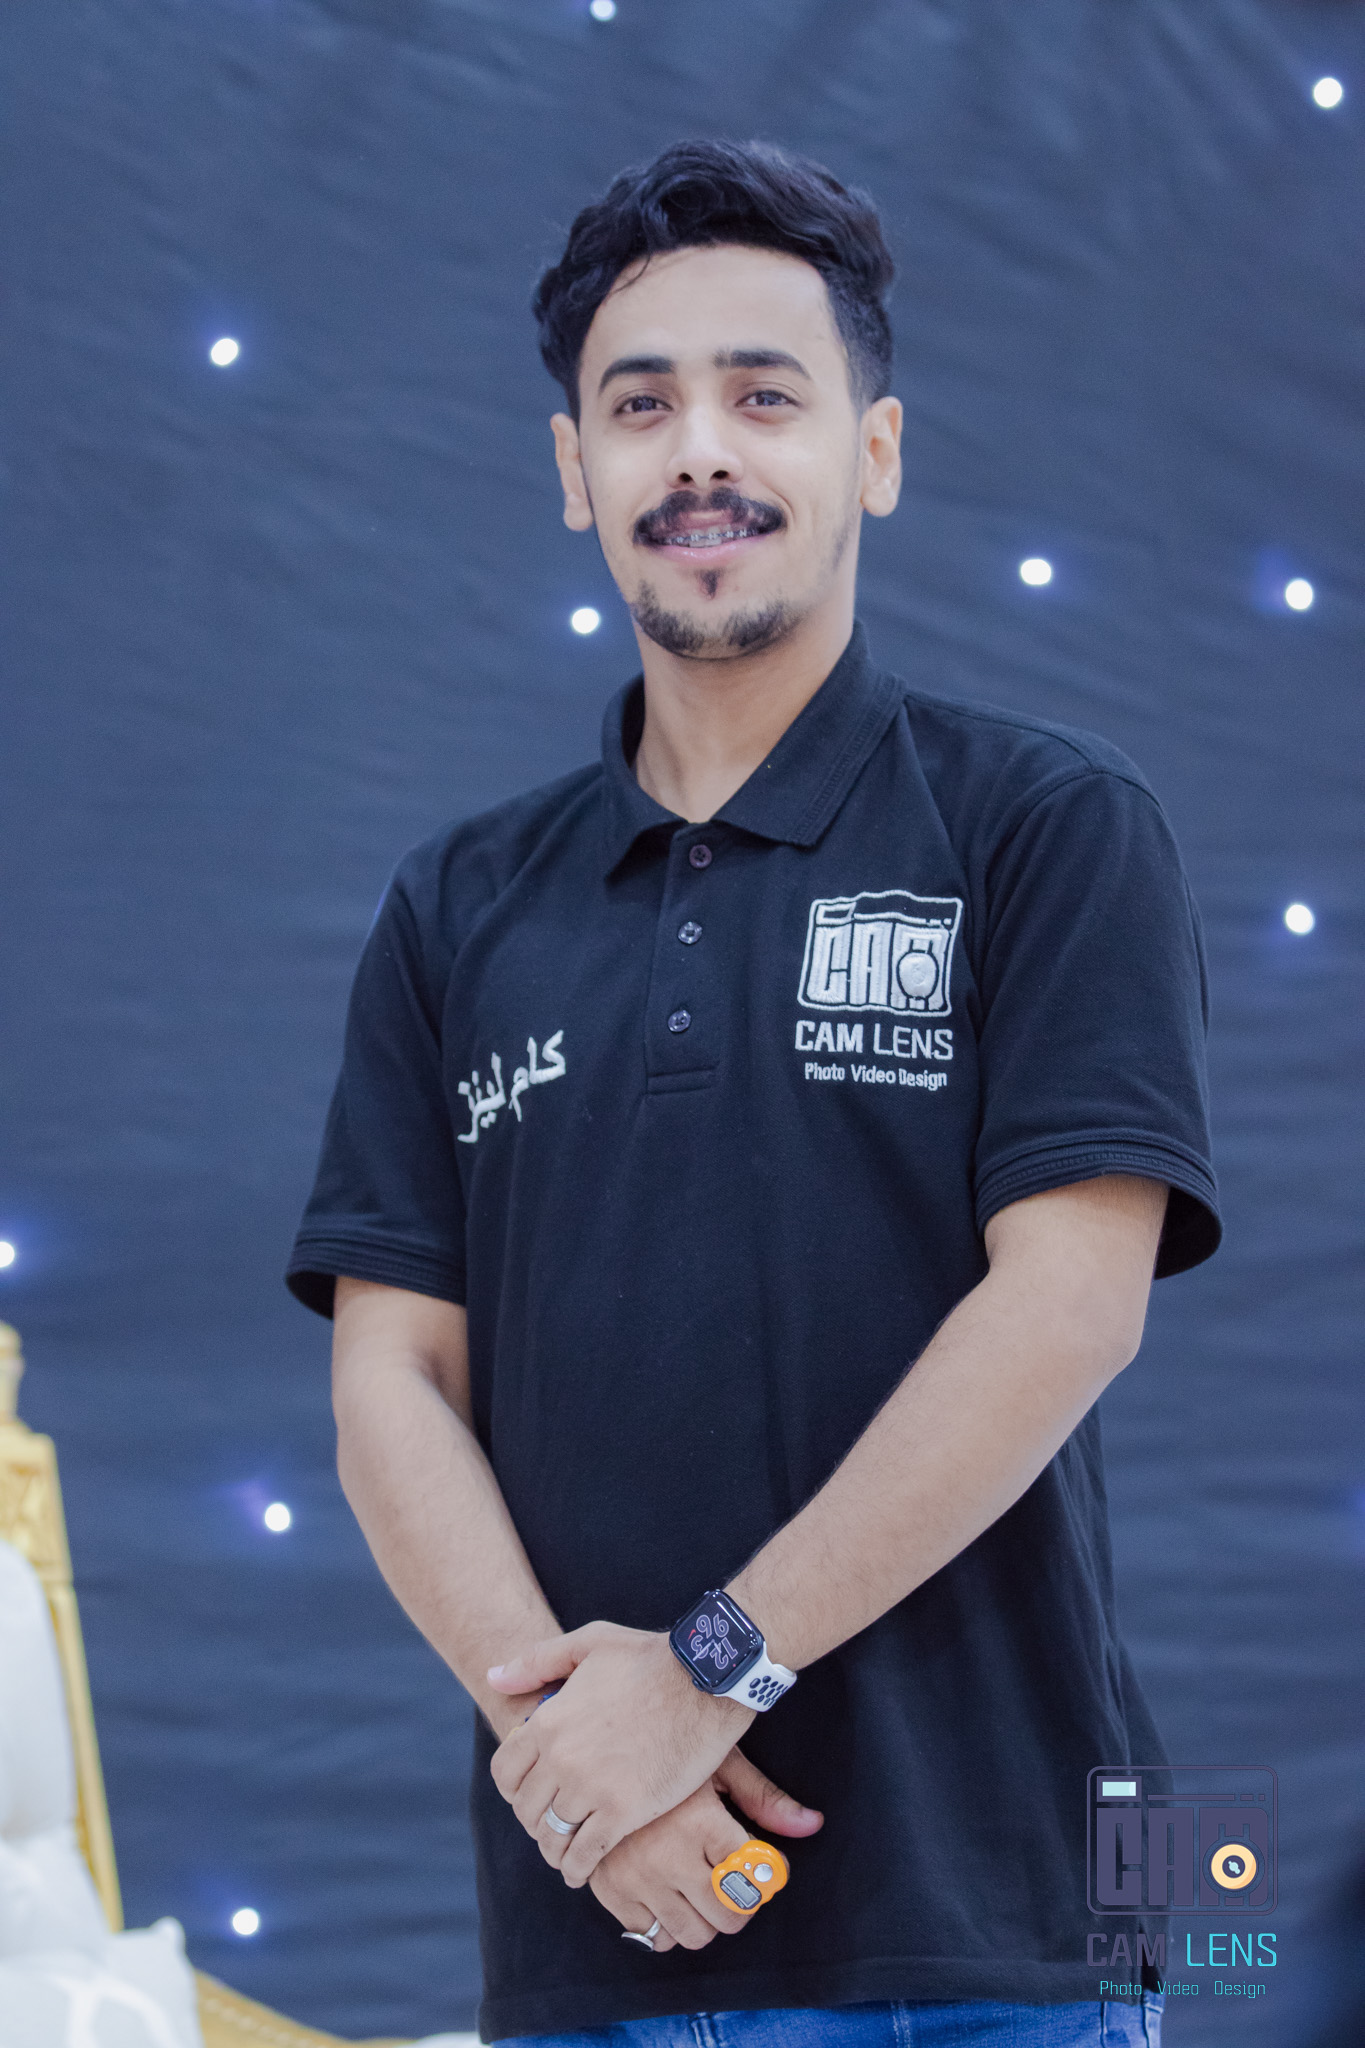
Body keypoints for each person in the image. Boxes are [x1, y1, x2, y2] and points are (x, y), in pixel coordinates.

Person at [288, 139, 1217, 2048]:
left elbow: (1070, 1305)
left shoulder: (1046, 824)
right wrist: (578, 1749)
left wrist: (707, 1671)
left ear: (873, 452)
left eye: (762, 396)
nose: (698, 453)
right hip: (597, 1927)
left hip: (1005, 1938)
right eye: (640, 408)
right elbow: (391, 1383)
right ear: (575, 474)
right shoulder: (457, 903)